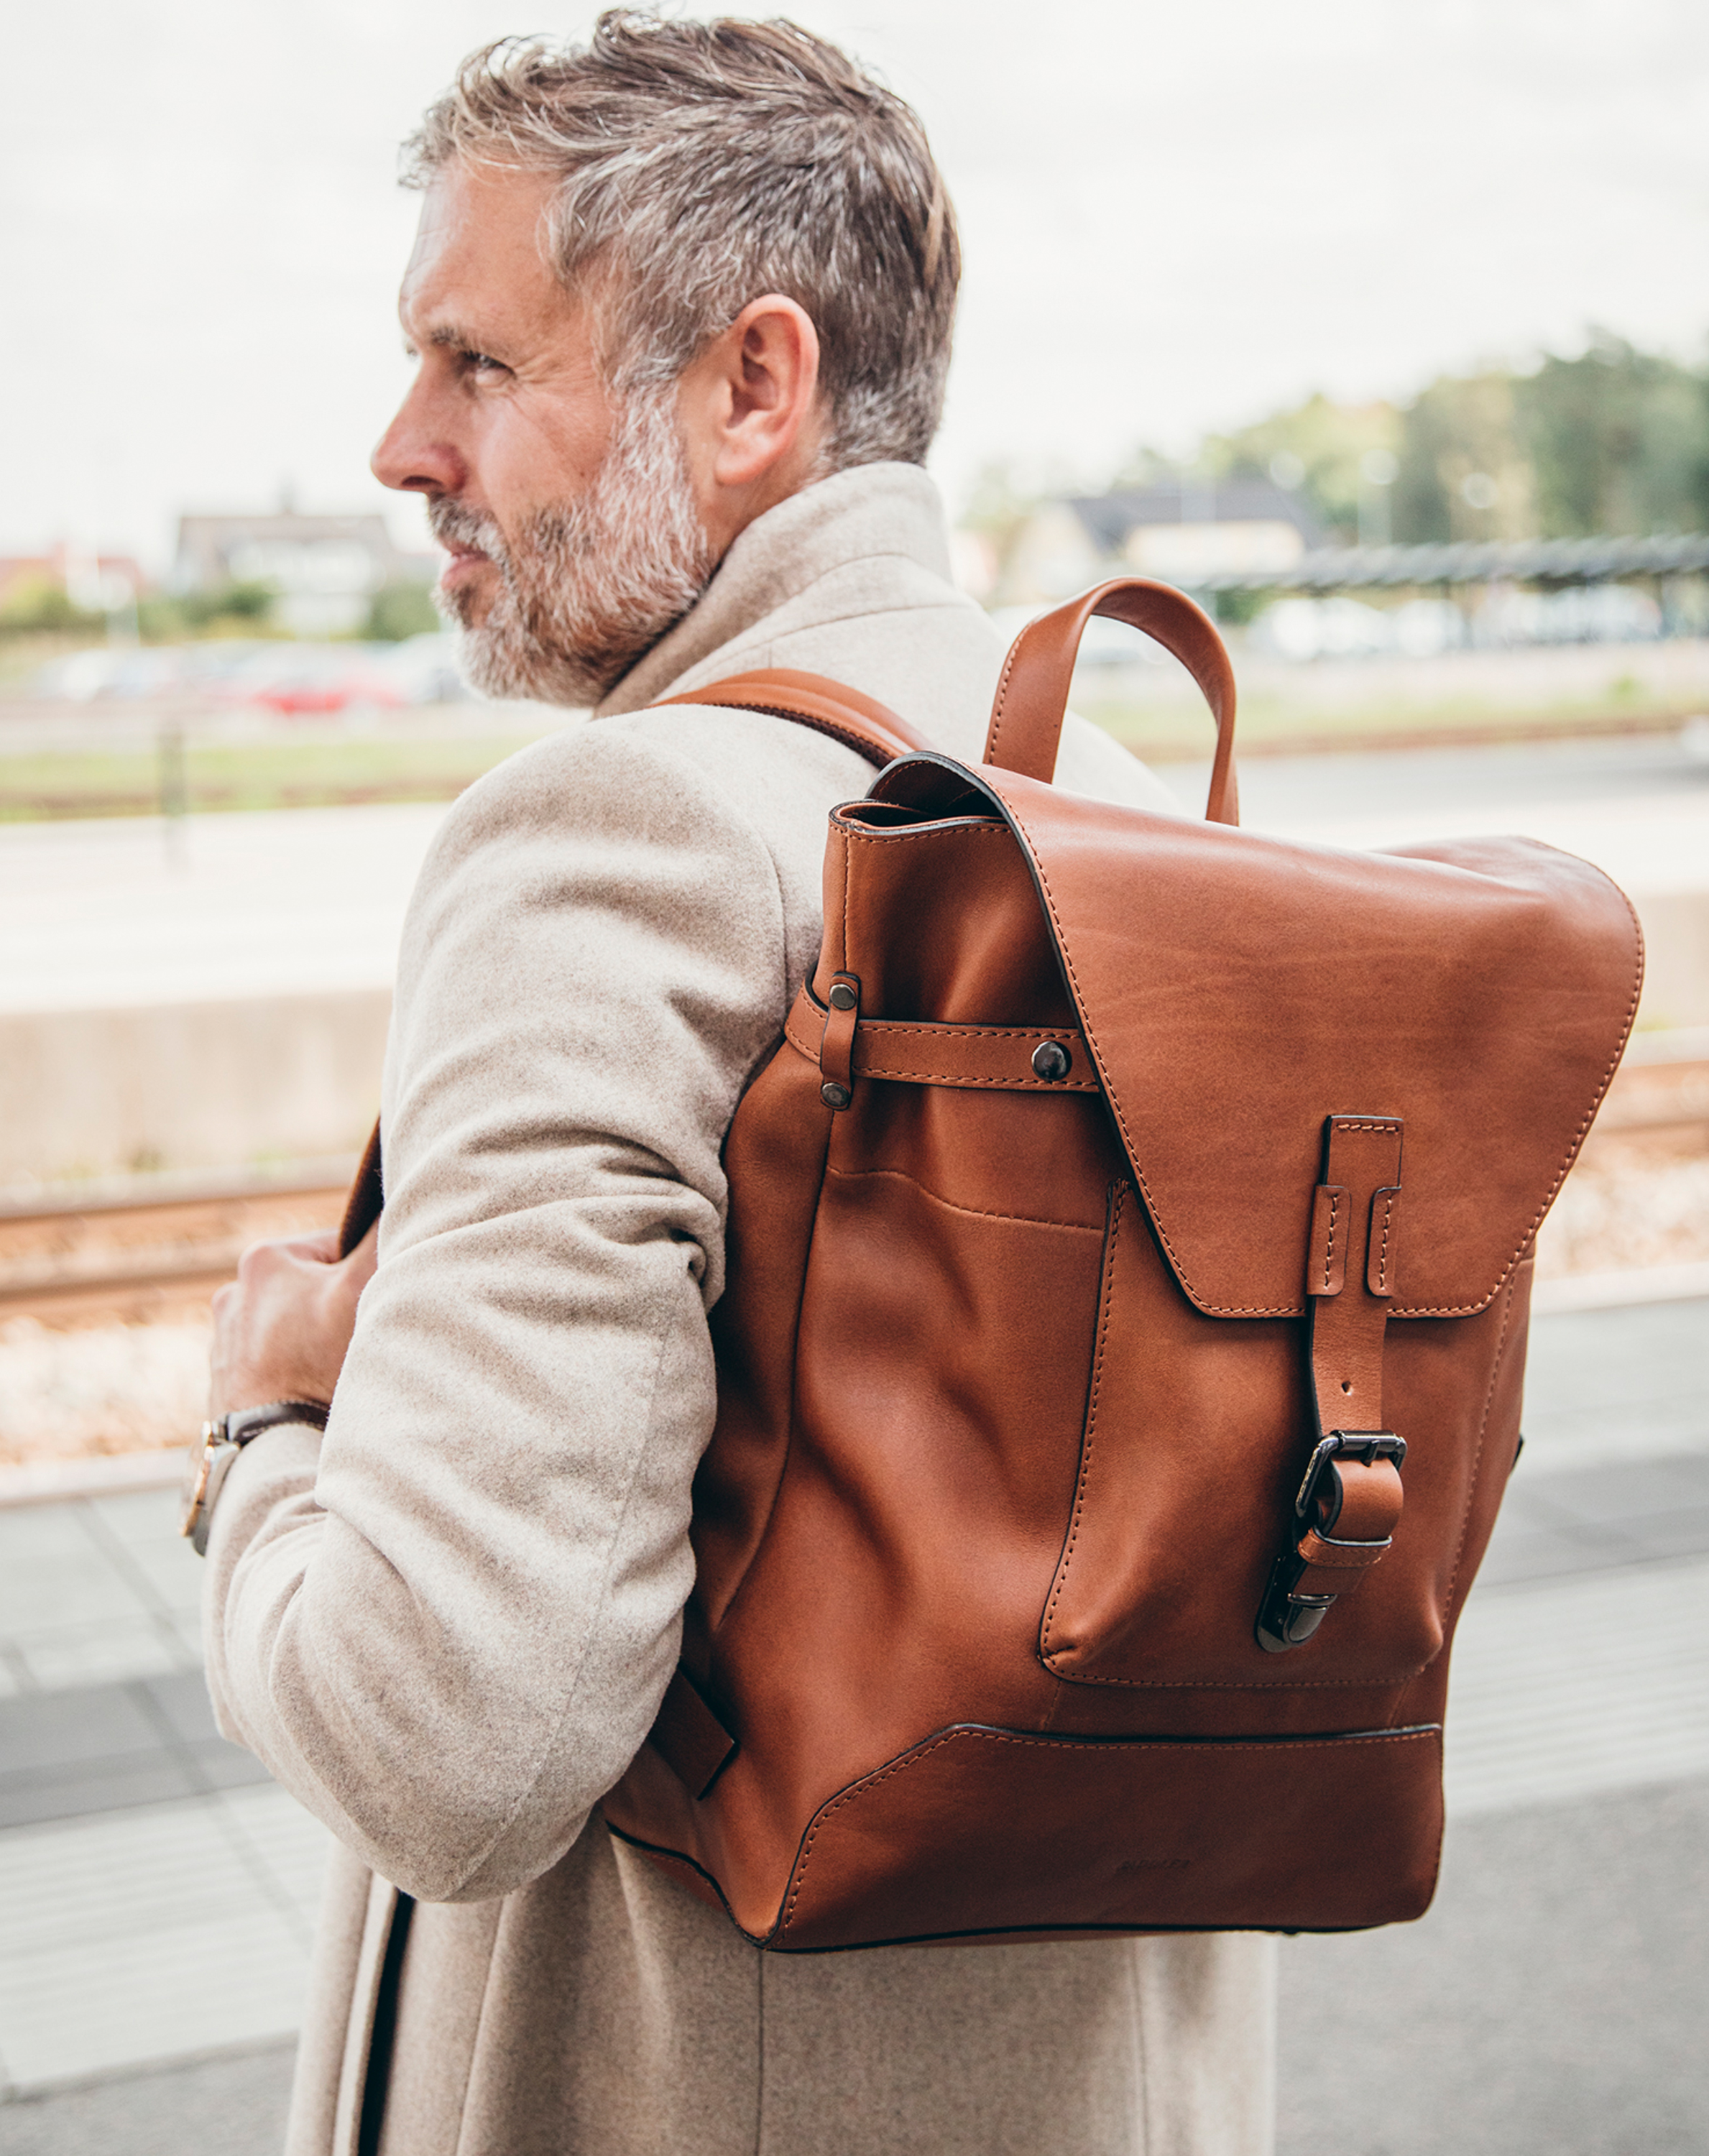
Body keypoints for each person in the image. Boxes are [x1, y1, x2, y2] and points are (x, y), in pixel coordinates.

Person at [201, 14, 1276, 2152]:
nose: (407, 445)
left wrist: (275, 1425)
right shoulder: (1148, 803)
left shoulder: (612, 836)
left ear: (753, 386)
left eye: (479, 364)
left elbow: (456, 1747)